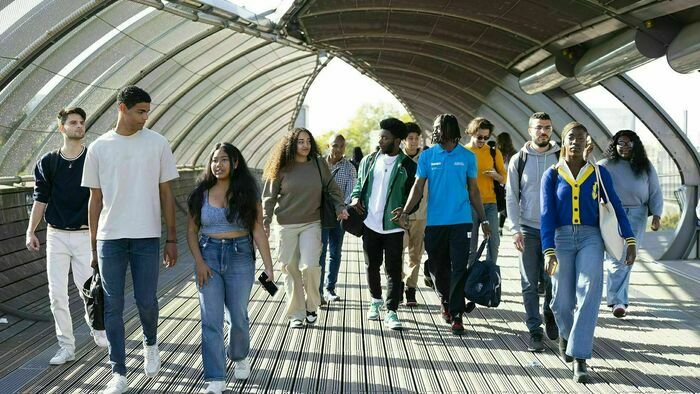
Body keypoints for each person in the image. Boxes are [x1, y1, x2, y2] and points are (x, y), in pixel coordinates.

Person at [82, 86, 179, 394]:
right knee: (112, 305)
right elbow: (94, 201)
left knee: (147, 302)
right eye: (140, 111)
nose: (145, 117)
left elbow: (167, 194)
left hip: (147, 237)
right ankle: (118, 373)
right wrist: (93, 245)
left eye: (147, 111)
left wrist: (172, 239)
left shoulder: (158, 143)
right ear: (121, 108)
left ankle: (151, 343)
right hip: (110, 239)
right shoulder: (98, 147)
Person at [541, 122, 636, 383]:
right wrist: (548, 250)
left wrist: (630, 239)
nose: (576, 142)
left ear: (587, 143)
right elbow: (546, 216)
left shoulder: (598, 173)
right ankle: (566, 336)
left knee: (590, 290)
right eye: (571, 137)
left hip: (591, 238)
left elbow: (615, 206)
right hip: (560, 239)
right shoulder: (551, 174)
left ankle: (580, 358)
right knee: (561, 301)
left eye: (581, 138)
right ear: (563, 141)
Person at [186, 143, 274, 394]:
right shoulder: (200, 194)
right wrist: (200, 263)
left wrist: (269, 267)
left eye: (224, 160)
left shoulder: (247, 193)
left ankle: (239, 355)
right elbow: (191, 232)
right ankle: (215, 379)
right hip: (209, 257)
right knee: (210, 320)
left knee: (238, 316)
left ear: (235, 163)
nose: (218, 165)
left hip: (240, 256)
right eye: (214, 160)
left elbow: (257, 229)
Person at [26, 107, 108, 366]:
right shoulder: (48, 162)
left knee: (91, 291)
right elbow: (40, 199)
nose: (78, 126)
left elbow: (102, 197)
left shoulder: (93, 158)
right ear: (61, 128)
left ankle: (98, 330)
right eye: (73, 123)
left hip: (85, 236)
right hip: (56, 236)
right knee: (57, 294)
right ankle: (66, 347)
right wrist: (31, 231)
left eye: (81, 123)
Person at [395, 114, 490, 335]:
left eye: (438, 127)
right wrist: (406, 211)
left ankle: (456, 314)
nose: (434, 131)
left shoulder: (467, 157)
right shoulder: (428, 156)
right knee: (438, 266)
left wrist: (484, 219)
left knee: (458, 266)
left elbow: (474, 190)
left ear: (448, 129)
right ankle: (445, 298)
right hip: (435, 222)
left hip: (461, 221)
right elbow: (418, 187)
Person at [262, 128, 348, 328]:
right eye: (300, 141)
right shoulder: (281, 167)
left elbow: (332, 188)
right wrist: (265, 220)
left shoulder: (318, 164)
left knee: (310, 266)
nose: (305, 145)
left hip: (312, 222)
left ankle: (311, 305)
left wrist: (340, 206)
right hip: (285, 225)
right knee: (290, 269)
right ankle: (296, 314)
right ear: (291, 144)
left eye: (308, 141)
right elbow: (268, 197)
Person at [350, 118, 416, 329]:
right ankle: (375, 300)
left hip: (394, 226)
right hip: (370, 223)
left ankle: (392, 311)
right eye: (380, 136)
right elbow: (359, 184)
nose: (380, 141)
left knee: (394, 270)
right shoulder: (369, 160)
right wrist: (355, 198)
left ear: (397, 141)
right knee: (372, 266)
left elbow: (415, 195)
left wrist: (407, 211)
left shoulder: (408, 165)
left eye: (385, 138)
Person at [505, 112, 560, 353]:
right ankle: (534, 330)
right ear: (530, 130)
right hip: (527, 229)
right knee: (528, 283)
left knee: (552, 280)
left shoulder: (560, 157)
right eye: (538, 128)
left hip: (555, 231)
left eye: (547, 127)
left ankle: (549, 312)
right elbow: (511, 196)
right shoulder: (520, 160)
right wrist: (515, 229)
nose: (543, 132)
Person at [599, 130, 662, 318]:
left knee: (627, 257)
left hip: (637, 214)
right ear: (614, 145)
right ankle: (618, 301)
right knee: (615, 257)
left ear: (635, 145)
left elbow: (655, 191)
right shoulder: (604, 165)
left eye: (628, 143)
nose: (624, 147)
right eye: (620, 143)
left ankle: (617, 300)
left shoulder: (645, 166)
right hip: (612, 214)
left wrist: (657, 215)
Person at [319, 134, 357, 302]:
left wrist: (341, 208)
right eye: (334, 145)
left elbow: (351, 193)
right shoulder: (319, 164)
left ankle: (330, 289)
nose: (337, 149)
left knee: (335, 253)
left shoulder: (349, 168)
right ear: (328, 145)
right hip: (319, 215)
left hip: (339, 216)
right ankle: (317, 290)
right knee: (320, 253)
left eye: (341, 146)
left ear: (345, 148)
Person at [465, 117, 506, 265]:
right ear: (472, 133)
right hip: (470, 204)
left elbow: (504, 178)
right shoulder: (463, 152)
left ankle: (489, 272)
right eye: (479, 137)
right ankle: (469, 276)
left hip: (490, 203)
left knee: (493, 241)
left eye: (486, 137)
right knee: (471, 243)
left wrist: (496, 175)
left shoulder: (494, 153)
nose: (483, 140)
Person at [401, 122, 428, 306]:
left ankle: (411, 289)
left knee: (415, 255)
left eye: (416, 138)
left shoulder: (425, 159)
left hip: (421, 215)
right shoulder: (396, 160)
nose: (413, 142)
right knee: (395, 254)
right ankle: (398, 284)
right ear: (403, 141)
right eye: (409, 138)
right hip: (399, 216)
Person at [496, 132, 517, 235]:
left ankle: (498, 227)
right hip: (511, 184)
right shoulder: (515, 154)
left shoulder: (496, 154)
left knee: (499, 206)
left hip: (499, 184)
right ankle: (506, 226)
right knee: (507, 206)